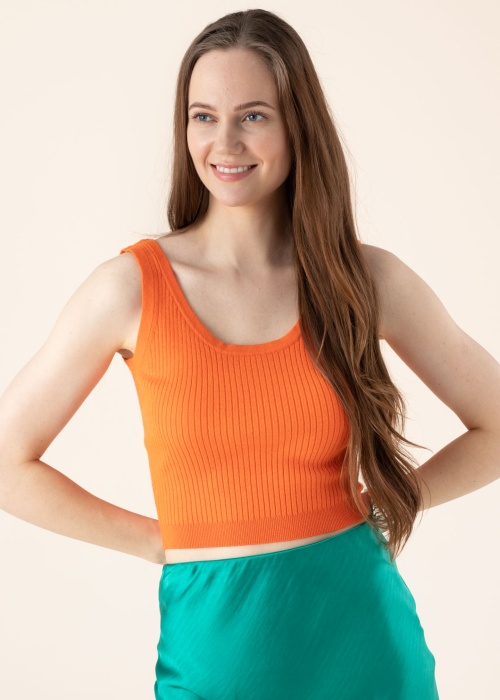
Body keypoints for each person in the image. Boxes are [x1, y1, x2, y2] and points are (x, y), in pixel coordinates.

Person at [0, 8, 499, 699]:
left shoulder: (363, 281)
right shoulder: (129, 289)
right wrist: (159, 541)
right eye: (203, 116)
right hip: (212, 646)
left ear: (298, 125)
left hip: (361, 640)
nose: (225, 142)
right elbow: (8, 461)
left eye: (254, 116)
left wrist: (390, 504)